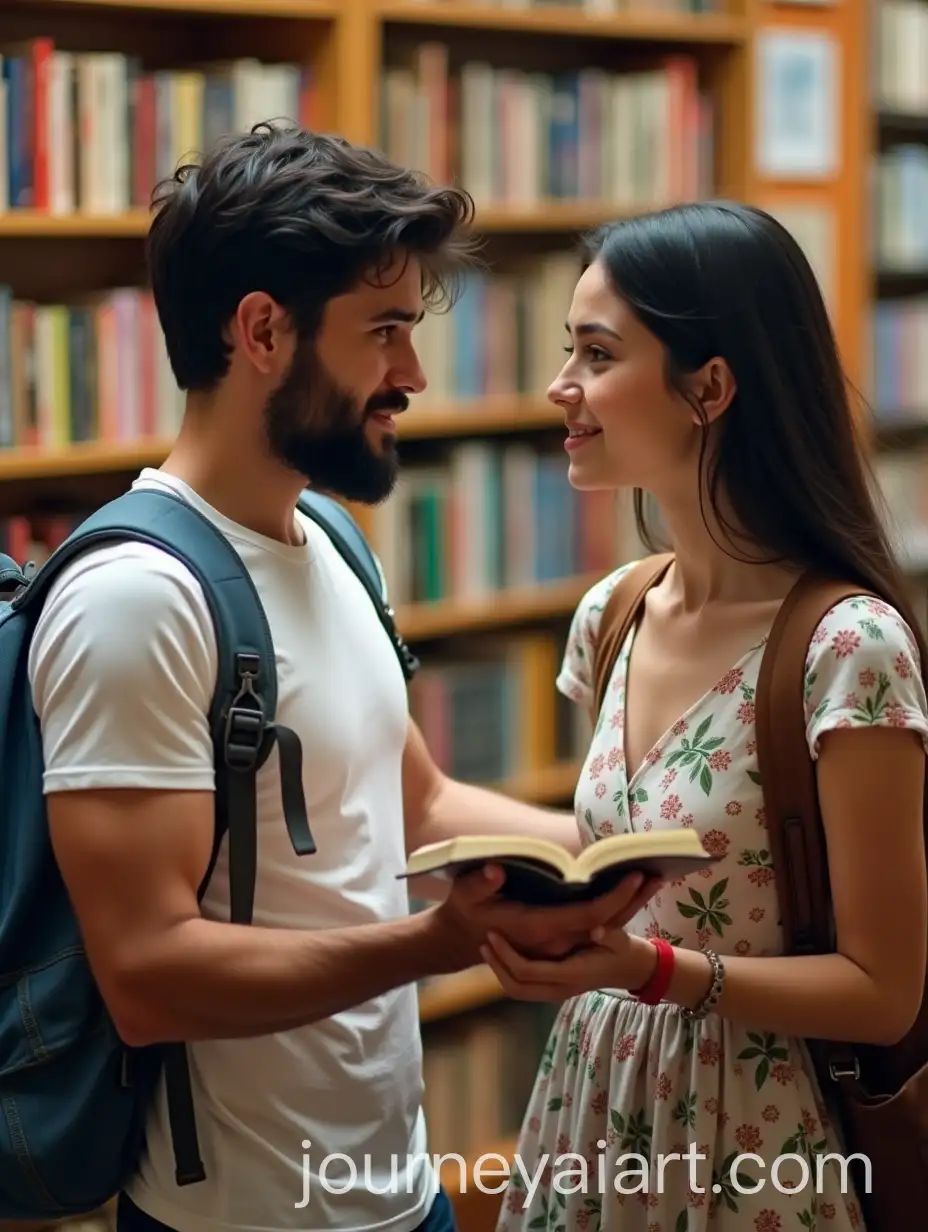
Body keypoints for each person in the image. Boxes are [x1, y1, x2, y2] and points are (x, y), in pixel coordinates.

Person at [25, 124, 655, 1232]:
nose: (410, 375)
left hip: (398, 1188)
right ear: (262, 330)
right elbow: (148, 973)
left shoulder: (328, 536)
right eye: (384, 333)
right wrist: (435, 941)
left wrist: (629, 852)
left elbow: (415, 801)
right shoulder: (136, 597)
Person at [482, 201, 928, 1232]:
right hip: (593, 1106)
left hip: (760, 1138)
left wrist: (653, 970)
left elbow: (884, 988)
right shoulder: (613, 612)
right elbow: (630, 857)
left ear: (710, 386)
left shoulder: (846, 649)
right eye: (567, 351)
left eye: (597, 352)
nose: (562, 387)